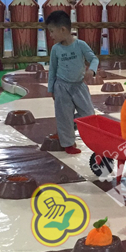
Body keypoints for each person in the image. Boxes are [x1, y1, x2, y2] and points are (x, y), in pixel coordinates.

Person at [46, 10, 98, 154]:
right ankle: (68, 144)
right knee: (63, 115)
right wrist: (51, 89)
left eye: (52, 31)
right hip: (61, 87)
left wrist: (91, 71)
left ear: (63, 29)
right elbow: (52, 69)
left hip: (79, 86)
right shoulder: (56, 49)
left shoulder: (80, 45)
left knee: (88, 114)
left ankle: (71, 124)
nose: (50, 35)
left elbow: (94, 59)